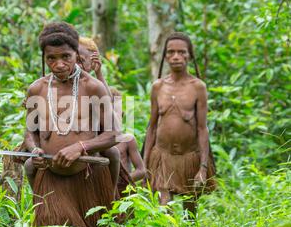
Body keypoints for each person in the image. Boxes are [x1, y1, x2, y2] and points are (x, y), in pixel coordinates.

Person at [23, 22, 120, 227]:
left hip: (89, 175)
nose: (59, 65)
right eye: (51, 59)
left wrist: (80, 147)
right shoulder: (37, 89)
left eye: (66, 56)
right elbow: (30, 132)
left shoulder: (93, 87)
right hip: (51, 177)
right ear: (44, 58)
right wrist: (34, 149)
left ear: (77, 53)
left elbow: (113, 134)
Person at [142, 32, 216, 215]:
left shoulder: (198, 87)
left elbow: (202, 129)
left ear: (189, 55)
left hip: (189, 157)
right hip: (161, 157)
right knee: (164, 208)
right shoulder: (158, 87)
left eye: (181, 52)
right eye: (171, 52)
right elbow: (151, 127)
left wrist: (203, 167)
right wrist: (144, 166)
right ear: (165, 56)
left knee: (190, 211)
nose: (176, 56)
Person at [78, 37, 146, 197]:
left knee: (112, 153)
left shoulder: (93, 84)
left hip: (95, 144)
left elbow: (107, 105)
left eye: (81, 60)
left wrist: (99, 72)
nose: (77, 64)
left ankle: (111, 194)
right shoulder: (62, 81)